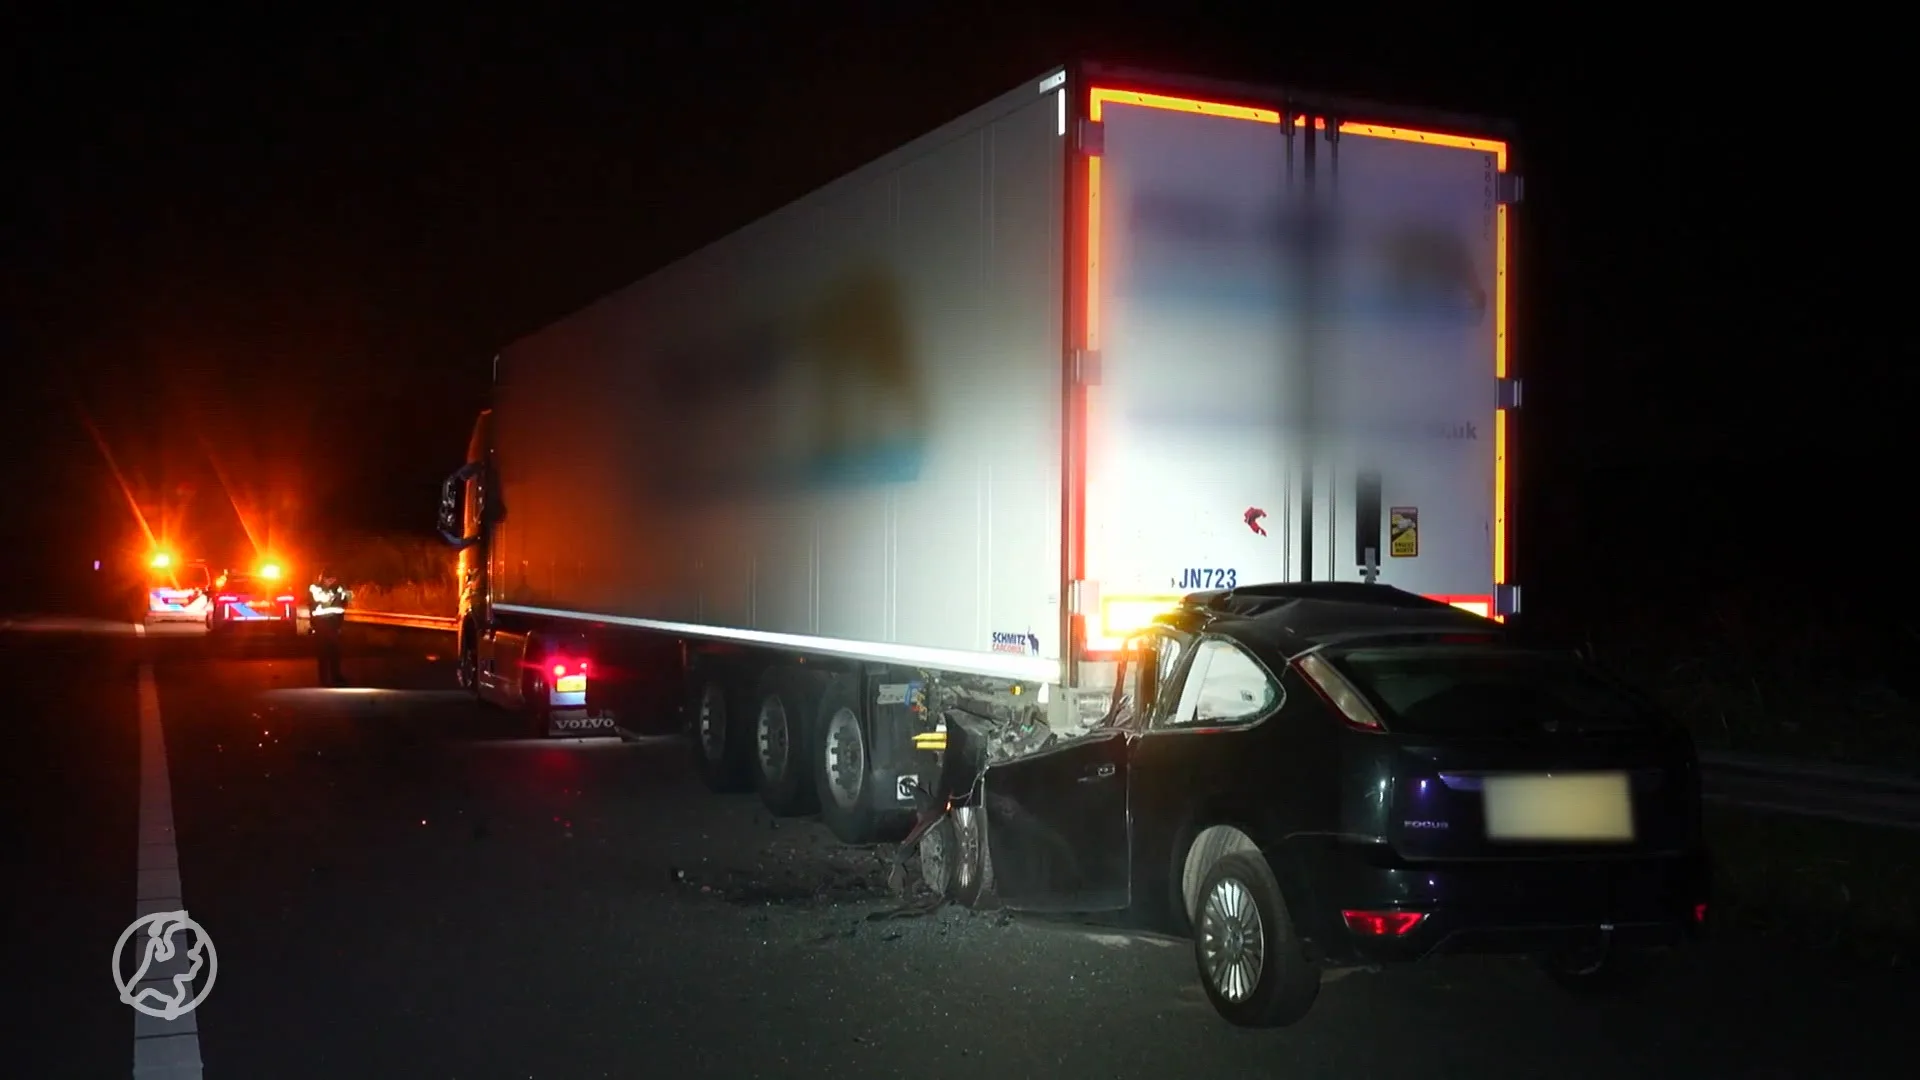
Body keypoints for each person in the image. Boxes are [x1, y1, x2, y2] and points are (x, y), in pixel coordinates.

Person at [307, 568, 353, 686]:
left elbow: (346, 601)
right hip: (322, 623)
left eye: (333, 579)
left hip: (335, 623)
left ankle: (336, 676)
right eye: (329, 579)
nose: (331, 581)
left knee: (335, 652)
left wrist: (345, 594)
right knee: (323, 652)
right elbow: (323, 600)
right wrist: (335, 594)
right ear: (323, 579)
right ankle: (324, 679)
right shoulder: (315, 588)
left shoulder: (338, 588)